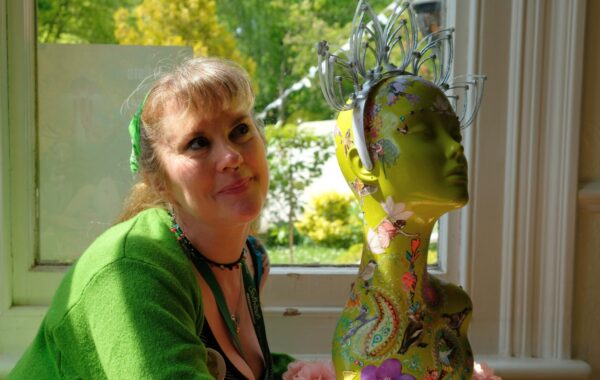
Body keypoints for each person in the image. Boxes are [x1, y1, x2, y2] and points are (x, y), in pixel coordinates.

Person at [8, 57, 292, 379]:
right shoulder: (131, 270)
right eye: (198, 143)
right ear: (158, 180)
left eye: (240, 130)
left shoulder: (251, 260)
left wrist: (294, 372)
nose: (231, 157)